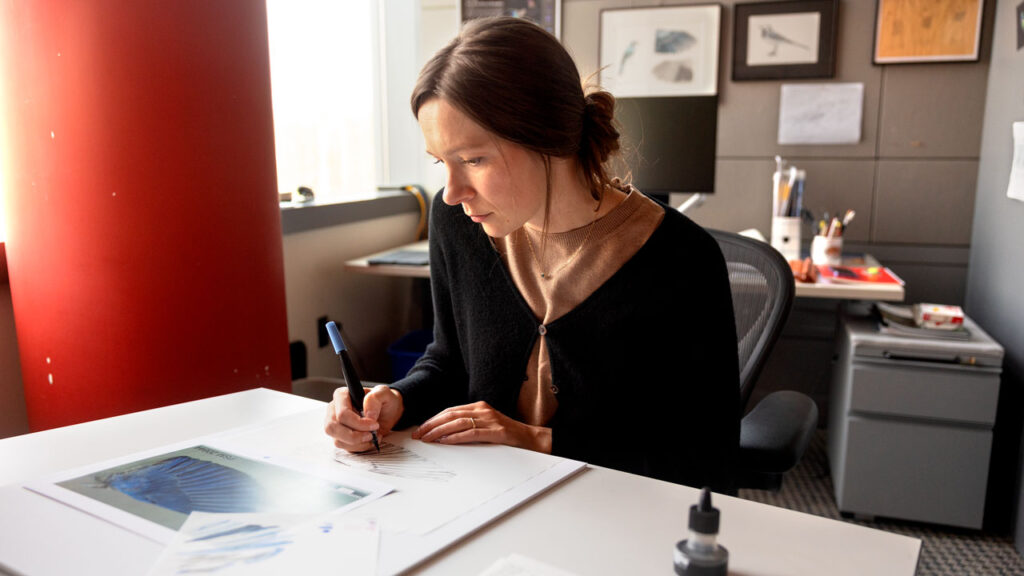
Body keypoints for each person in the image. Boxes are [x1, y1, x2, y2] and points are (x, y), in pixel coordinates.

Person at [324, 16, 739, 490]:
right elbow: (448, 361)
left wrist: (538, 439)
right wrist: (395, 398)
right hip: (484, 496)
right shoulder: (457, 221)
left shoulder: (682, 259)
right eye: (442, 163)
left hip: (619, 512)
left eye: (474, 160)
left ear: (547, 137)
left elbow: (705, 458)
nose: (452, 192)